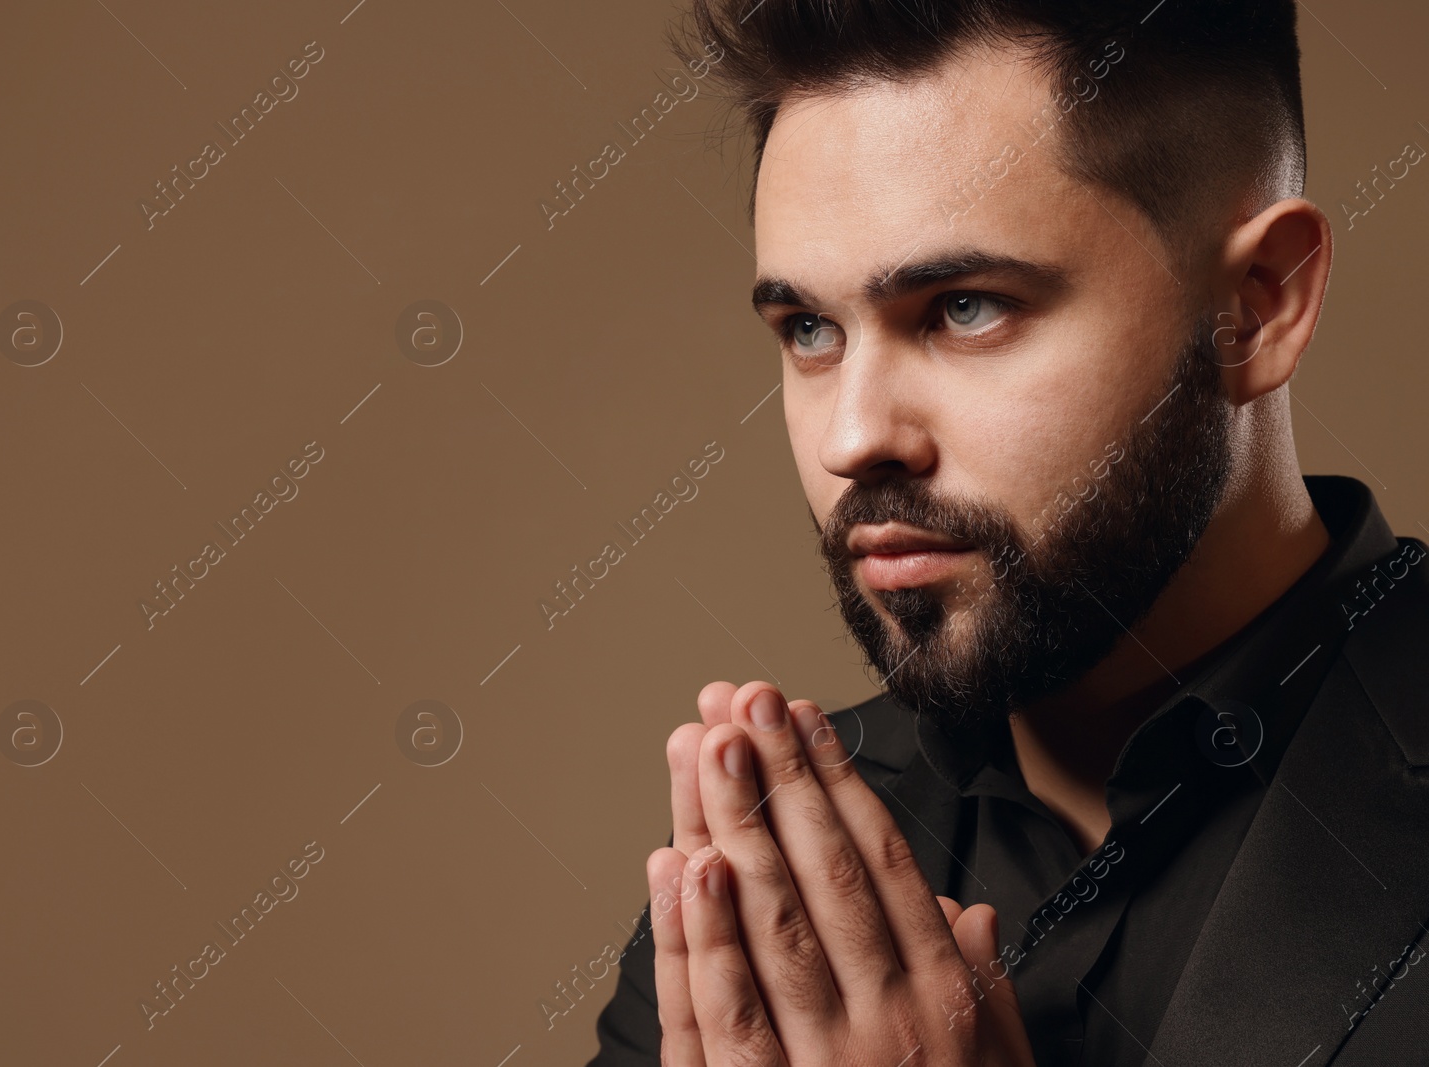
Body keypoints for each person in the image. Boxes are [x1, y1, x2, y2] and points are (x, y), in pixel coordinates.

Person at [586, 2, 1429, 1064]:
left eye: (963, 308)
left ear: (1255, 307)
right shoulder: (763, 882)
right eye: (809, 329)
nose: (853, 437)